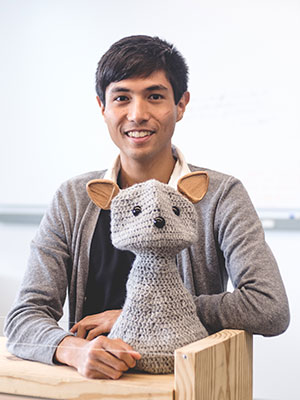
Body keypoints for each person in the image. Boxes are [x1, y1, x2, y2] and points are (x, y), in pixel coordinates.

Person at [4, 35, 290, 380]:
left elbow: (269, 307)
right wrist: (73, 349)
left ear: (180, 105)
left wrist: (142, 312)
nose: (137, 114)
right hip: (94, 385)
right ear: (102, 107)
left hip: (183, 387)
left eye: (154, 96)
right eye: (122, 98)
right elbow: (24, 318)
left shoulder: (221, 195)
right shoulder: (74, 198)